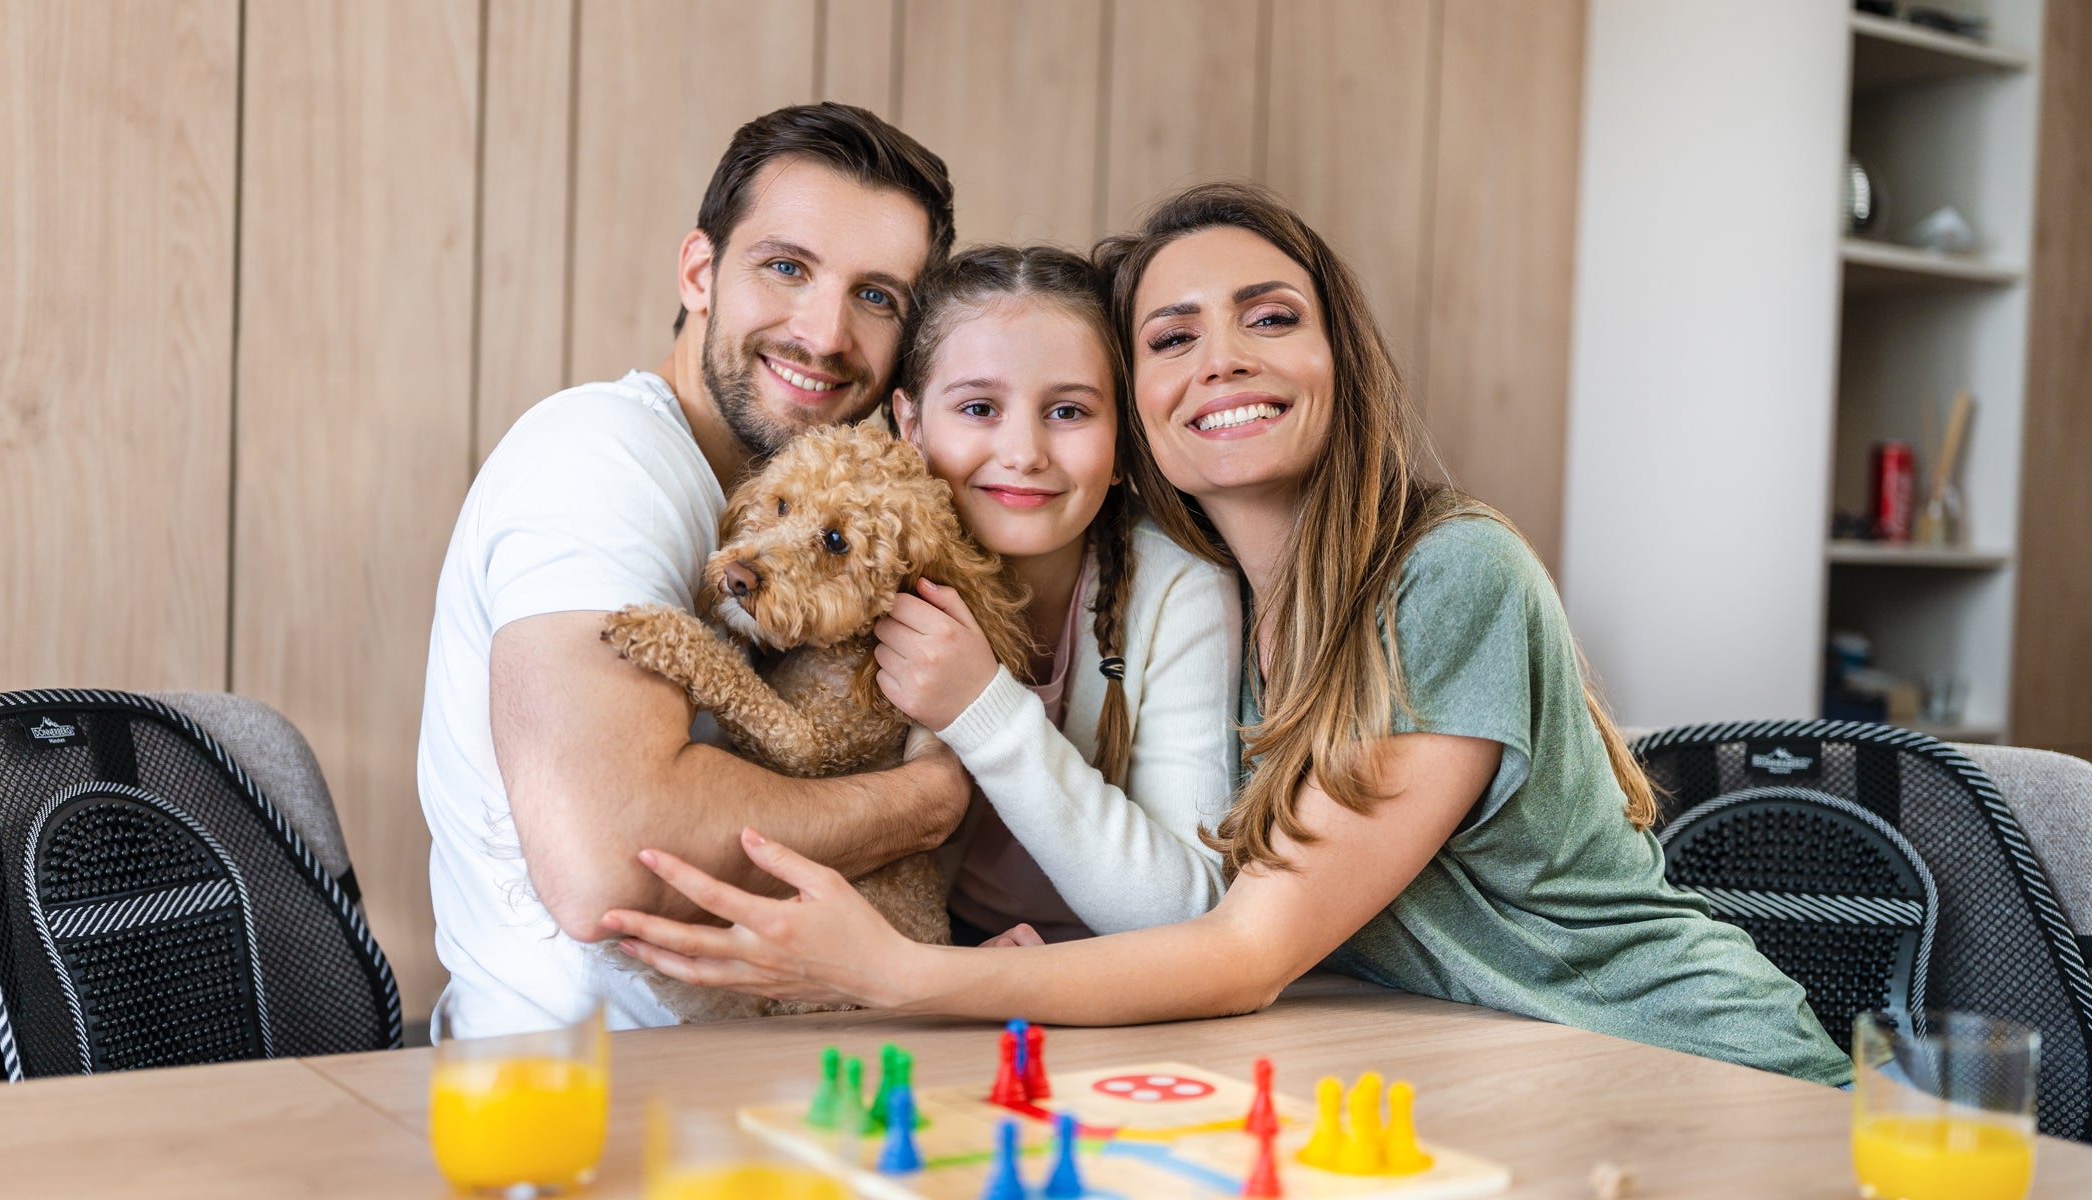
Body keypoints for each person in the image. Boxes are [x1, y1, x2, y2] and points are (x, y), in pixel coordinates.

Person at [601, 183, 1856, 1086]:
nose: (1222, 362)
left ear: (1338, 356)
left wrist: (905, 975)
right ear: (1148, 404)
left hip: (1692, 1065)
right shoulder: (1228, 601)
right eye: (1173, 335)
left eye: (1269, 317)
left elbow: (1243, 942)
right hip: (1487, 1063)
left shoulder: (1449, 574)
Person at [417, 103, 965, 1036]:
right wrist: (922, 803)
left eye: (877, 297)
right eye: (786, 268)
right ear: (700, 272)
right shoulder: (602, 459)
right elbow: (613, 865)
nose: (827, 333)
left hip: (776, 1071)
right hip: (595, 1105)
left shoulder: (794, 506)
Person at [875, 246, 1241, 945]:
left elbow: (1188, 914)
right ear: (911, 425)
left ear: (1123, 442)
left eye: (1068, 411)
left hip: (1127, 987)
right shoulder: (868, 574)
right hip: (928, 964)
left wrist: (982, 709)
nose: (1024, 451)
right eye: (979, 407)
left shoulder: (1180, 588)